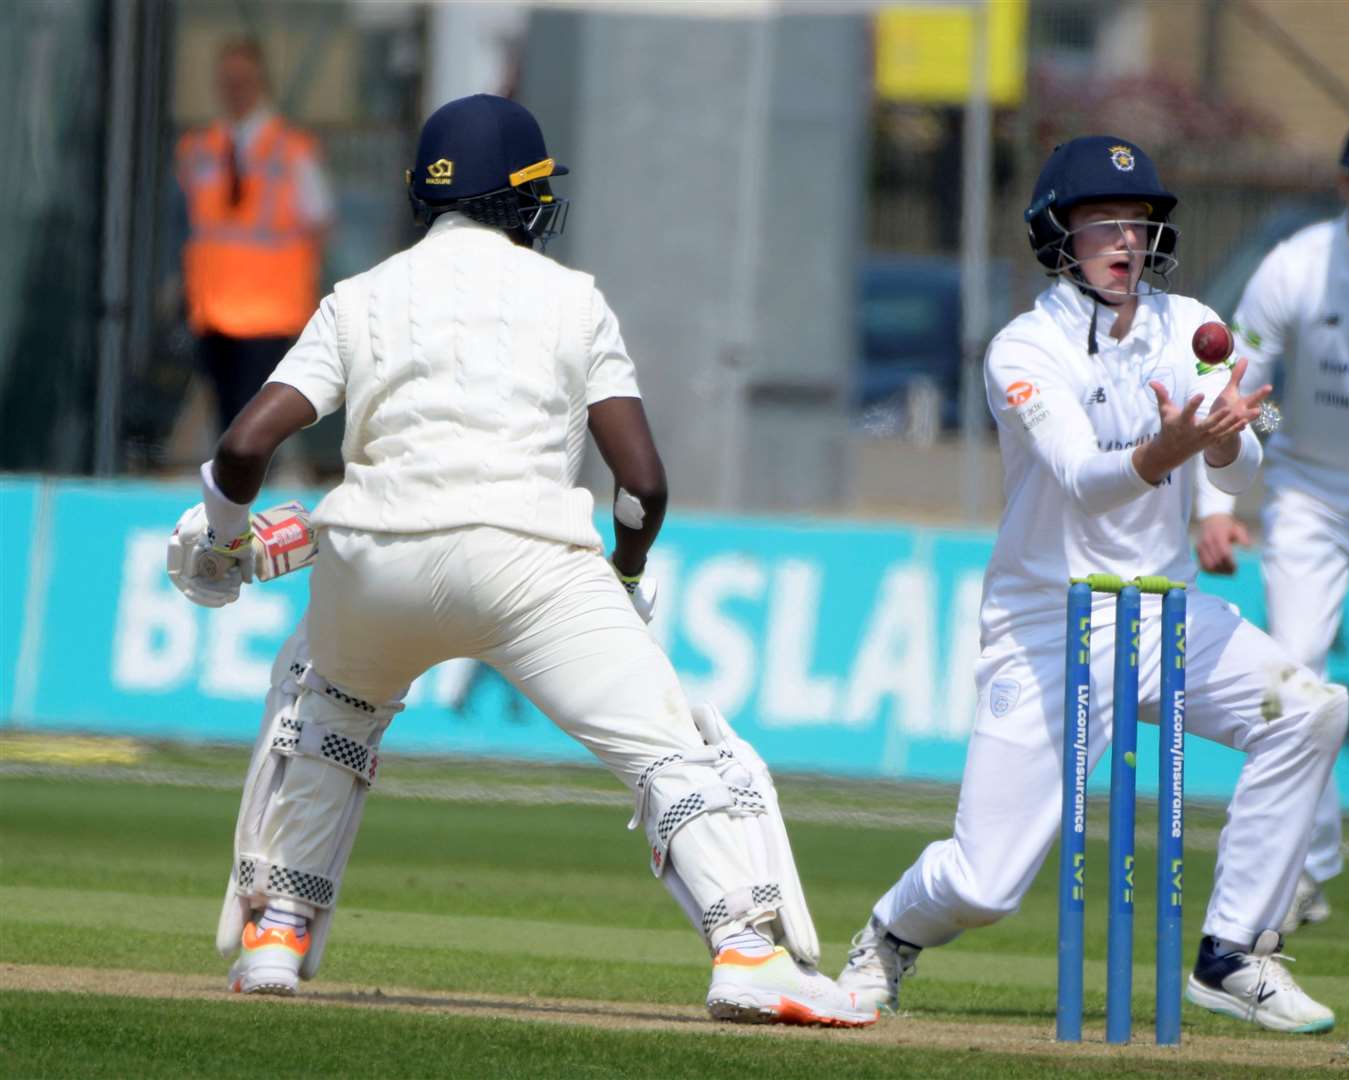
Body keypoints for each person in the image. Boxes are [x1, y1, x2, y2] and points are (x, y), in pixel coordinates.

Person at [164, 94, 874, 1028]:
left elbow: (246, 444)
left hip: (375, 553)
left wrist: (222, 541)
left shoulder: (361, 296)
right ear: (522, 199)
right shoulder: (572, 299)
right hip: (530, 560)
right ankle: (746, 952)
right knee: (670, 746)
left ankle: (276, 935)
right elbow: (643, 484)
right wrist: (622, 575)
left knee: (327, 709)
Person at [836, 136, 1346, 1034]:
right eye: (1103, 223)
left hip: (1164, 613)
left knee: (1308, 709)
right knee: (985, 885)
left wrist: (1222, 435)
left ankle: (1233, 952)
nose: (1126, 240)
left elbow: (1243, 475)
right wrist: (1172, 448)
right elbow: (1082, 476)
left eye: (1140, 224)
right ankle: (886, 933)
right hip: (1046, 624)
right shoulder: (1021, 350)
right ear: (1055, 235)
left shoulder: (1185, 323)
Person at [1194, 128, 1349, 935]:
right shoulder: (1295, 265)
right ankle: (1304, 871)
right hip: (1311, 493)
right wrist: (1215, 508)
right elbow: (1234, 394)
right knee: (1296, 673)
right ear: (1343, 183)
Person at [175, 37, 333, 435]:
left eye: (243, 81)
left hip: (270, 314)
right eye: (227, 81)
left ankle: (249, 492)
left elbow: (319, 221)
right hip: (213, 311)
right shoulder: (199, 148)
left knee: (253, 425)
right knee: (226, 418)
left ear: (261, 83)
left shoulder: (292, 150)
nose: (234, 90)